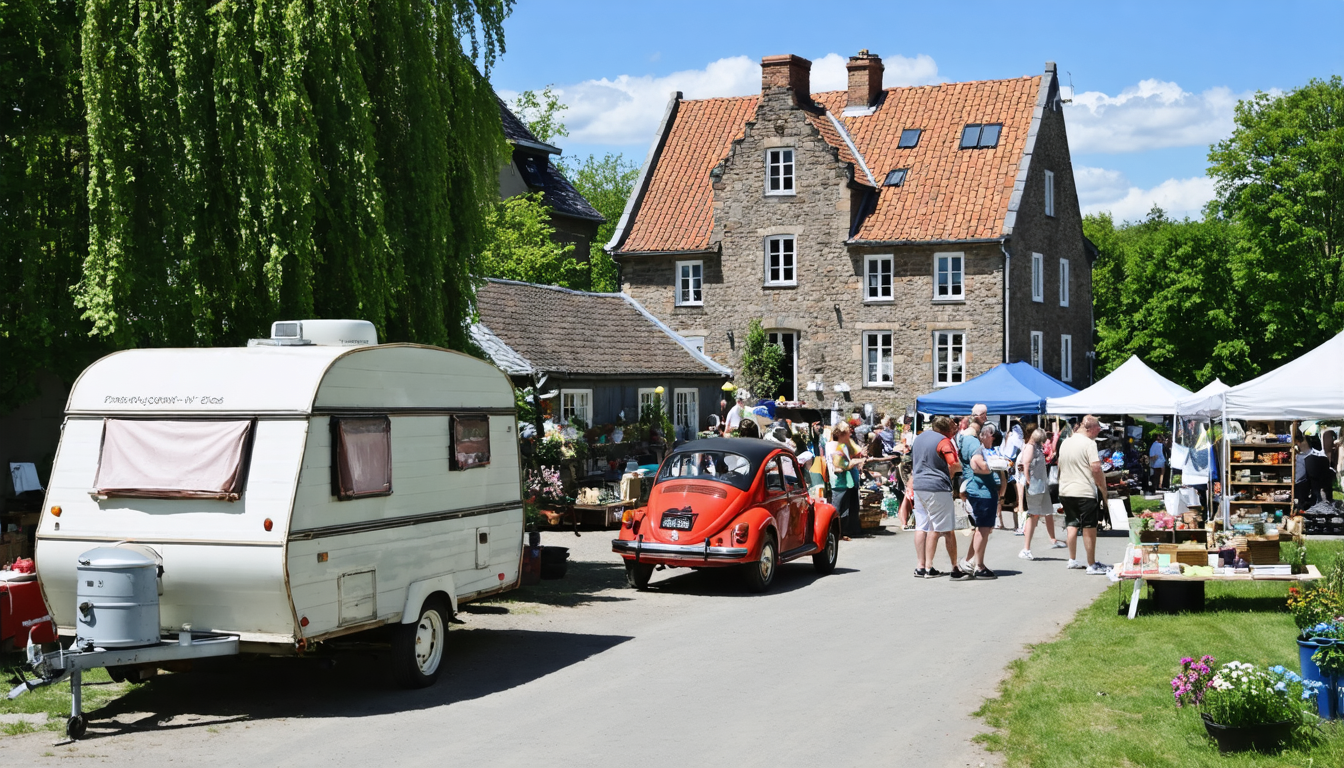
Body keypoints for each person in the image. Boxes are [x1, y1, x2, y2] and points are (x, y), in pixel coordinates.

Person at [910, 416, 963, 579]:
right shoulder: (944, 441)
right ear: (947, 429)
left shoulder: (919, 438)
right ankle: (948, 567)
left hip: (919, 485)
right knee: (944, 529)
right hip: (937, 487)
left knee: (921, 526)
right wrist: (959, 471)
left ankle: (920, 566)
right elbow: (953, 463)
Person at [1058, 415, 1111, 574]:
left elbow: (1060, 465)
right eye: (1098, 429)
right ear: (1091, 428)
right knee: (1089, 526)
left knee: (1071, 523)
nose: (1099, 431)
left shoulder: (1066, 442)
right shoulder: (1089, 444)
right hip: (1084, 490)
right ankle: (1091, 564)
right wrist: (1103, 487)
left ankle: (1072, 559)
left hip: (1066, 490)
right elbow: (1096, 468)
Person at [958, 423, 1003, 579]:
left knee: (984, 529)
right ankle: (979, 565)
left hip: (986, 493)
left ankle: (969, 562)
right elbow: (976, 463)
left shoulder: (991, 450)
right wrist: (991, 466)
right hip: (981, 493)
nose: (986, 434)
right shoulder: (980, 450)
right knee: (982, 529)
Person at [1017, 428, 1066, 559]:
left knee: (1048, 512)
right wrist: (1028, 480)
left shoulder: (1037, 447)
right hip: (1035, 486)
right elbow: (1026, 464)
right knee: (1033, 515)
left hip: (1042, 485)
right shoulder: (1030, 447)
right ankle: (1026, 549)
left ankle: (1053, 539)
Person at [827, 422, 867, 540]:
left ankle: (842, 532)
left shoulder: (841, 445)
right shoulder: (836, 446)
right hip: (838, 481)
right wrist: (855, 462)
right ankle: (835, 533)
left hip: (844, 481)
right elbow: (840, 466)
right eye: (848, 432)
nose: (850, 434)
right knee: (838, 509)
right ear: (841, 434)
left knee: (844, 509)